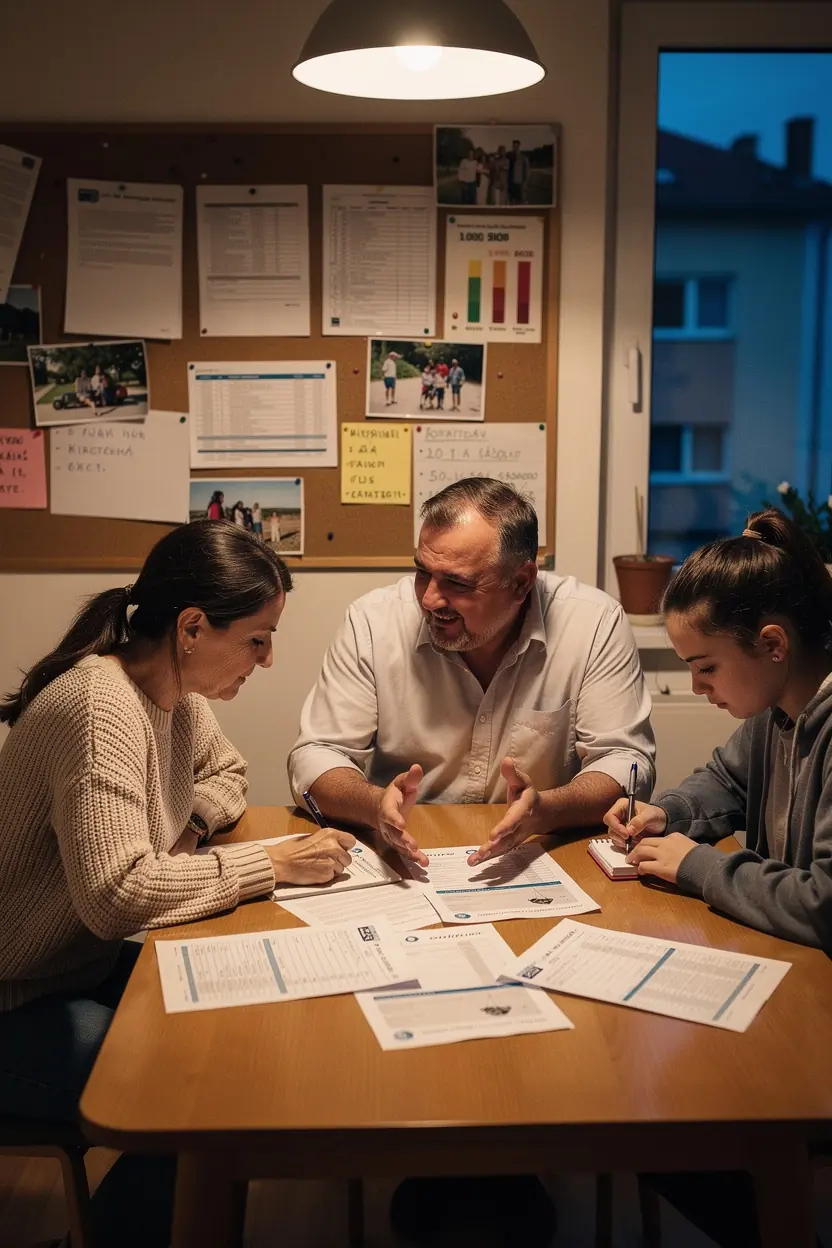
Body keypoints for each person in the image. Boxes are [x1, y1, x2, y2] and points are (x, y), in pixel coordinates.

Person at [0, 520, 355, 1248]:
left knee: (234, 1039)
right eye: (257, 638)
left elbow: (225, 775)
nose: (266, 657)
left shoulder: (175, 694)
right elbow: (118, 897)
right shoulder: (100, 707)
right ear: (193, 627)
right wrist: (273, 864)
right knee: (198, 1093)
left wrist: (186, 830)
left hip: (70, 969)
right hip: (16, 997)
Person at [603, 504, 832, 1247]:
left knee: (659, 1125)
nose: (698, 686)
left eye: (704, 666)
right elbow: (720, 784)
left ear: (772, 642)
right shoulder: (778, 714)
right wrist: (664, 815)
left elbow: (824, 906)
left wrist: (699, 866)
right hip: (793, 981)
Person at [289, 477, 655, 869]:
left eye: (457, 583)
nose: (430, 599)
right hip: (407, 851)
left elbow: (624, 761)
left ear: (520, 583)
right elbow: (317, 754)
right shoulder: (373, 622)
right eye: (422, 572)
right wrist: (374, 804)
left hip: (540, 853)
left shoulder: (594, 623)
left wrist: (547, 810)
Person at [508, 138, 531, 205]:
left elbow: (527, 170)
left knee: (520, 201)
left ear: (519, 146)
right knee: (511, 201)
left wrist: (525, 182)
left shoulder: (523, 158)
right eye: (514, 146)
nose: (515, 148)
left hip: (519, 183)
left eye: (516, 146)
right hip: (511, 183)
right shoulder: (509, 156)